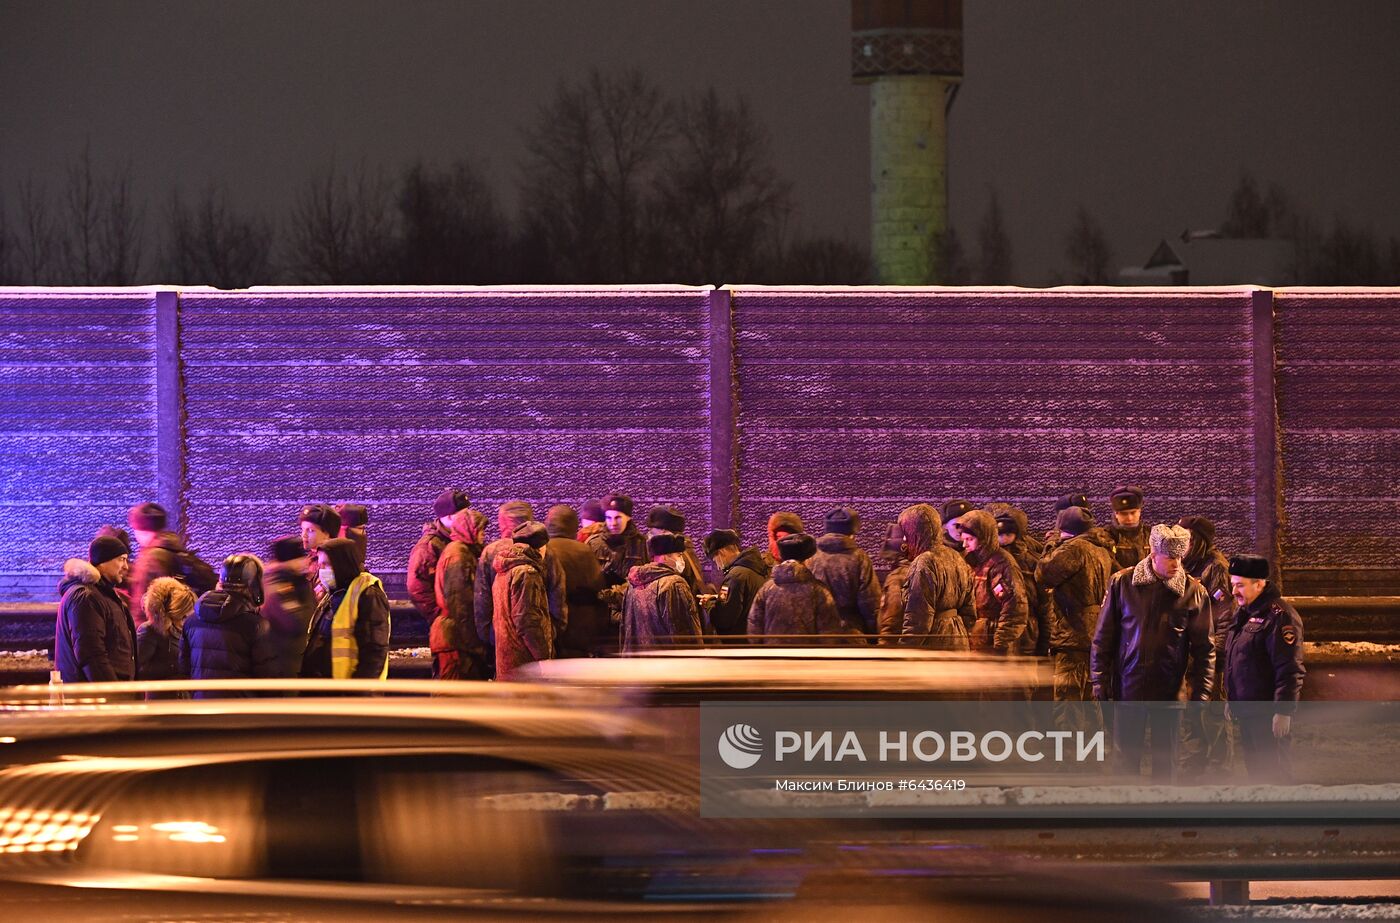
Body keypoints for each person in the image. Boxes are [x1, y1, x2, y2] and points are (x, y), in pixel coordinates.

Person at [1091, 524, 1214, 780]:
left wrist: (1201, 693)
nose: (1177, 564)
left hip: (1169, 694)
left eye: (1181, 557)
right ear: (1153, 553)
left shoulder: (1193, 592)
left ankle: (1163, 814)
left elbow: (1205, 650)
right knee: (1125, 765)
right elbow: (1104, 637)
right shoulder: (1122, 584)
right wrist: (1099, 678)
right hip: (1129, 688)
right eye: (1171, 557)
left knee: (1165, 766)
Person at [1223, 554, 1305, 783]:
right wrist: (1233, 698)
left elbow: (1289, 667)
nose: (1234, 591)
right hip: (1248, 711)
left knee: (1275, 773)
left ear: (1259, 583)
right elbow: (1238, 661)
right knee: (1256, 772)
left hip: (1267, 714)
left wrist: (1283, 710)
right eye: (1233, 585)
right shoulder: (1245, 613)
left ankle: (1284, 816)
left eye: (1240, 585)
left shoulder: (1280, 616)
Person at [1035, 507, 1116, 731]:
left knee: (1067, 700)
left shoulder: (1074, 548)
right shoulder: (1101, 549)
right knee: (1091, 698)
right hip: (1095, 631)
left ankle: (1070, 759)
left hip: (1073, 633)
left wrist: (1051, 545)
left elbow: (1043, 573)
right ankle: (1093, 754)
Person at [1178, 515, 1236, 773]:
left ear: (1199, 541)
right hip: (1189, 651)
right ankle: (1195, 759)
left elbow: (1225, 614)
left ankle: (1219, 764)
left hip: (1210, 653)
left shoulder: (1215, 568)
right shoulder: (1185, 566)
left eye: (1187, 539)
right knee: (1191, 710)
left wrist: (1219, 652)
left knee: (1212, 712)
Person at [476, 501, 567, 658]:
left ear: (502, 522)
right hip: (538, 641)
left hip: (502, 640)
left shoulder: (491, 553)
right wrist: (551, 631)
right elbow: (557, 595)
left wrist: (491, 635)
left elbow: (482, 600)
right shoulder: (543, 551)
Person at [180, 554, 274, 695]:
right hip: (241, 712)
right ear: (254, 586)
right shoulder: (256, 626)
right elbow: (267, 679)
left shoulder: (191, 622)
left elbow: (184, 671)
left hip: (202, 709)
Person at [886, 504, 974, 650]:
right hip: (959, 640)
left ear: (915, 532)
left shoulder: (924, 562)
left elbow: (919, 619)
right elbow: (969, 610)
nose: (904, 539)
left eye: (906, 533)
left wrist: (906, 651)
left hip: (934, 642)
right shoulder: (956, 557)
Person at [302, 537, 391, 680]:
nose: (321, 571)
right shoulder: (334, 593)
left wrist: (356, 693)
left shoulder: (367, 594)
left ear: (342, 564)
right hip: (326, 689)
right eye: (320, 565)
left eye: (326, 565)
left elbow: (374, 652)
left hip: (347, 692)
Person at [55, 535, 137, 683]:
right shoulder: (86, 597)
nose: (126, 566)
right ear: (103, 561)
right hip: (97, 699)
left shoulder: (104, 595)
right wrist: (113, 692)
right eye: (121, 559)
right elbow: (91, 654)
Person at [749, 533, 857, 645]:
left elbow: (754, 630)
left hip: (772, 658)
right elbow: (829, 635)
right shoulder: (819, 592)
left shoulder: (766, 590)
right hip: (808, 660)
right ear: (807, 559)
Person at [956, 510, 1030, 654]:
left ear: (984, 538)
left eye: (970, 539)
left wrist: (1001, 643)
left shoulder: (1001, 564)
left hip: (992, 643)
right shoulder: (970, 562)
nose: (964, 544)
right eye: (963, 539)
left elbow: (1015, 607)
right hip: (976, 641)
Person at [430, 505, 491, 679]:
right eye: (480, 531)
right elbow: (461, 606)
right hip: (455, 641)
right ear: (469, 530)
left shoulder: (462, 552)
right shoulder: (459, 555)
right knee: (455, 697)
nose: (483, 536)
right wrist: (476, 647)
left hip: (455, 638)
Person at [128, 501, 210, 625]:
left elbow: (142, 605)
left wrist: (137, 633)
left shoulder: (151, 559)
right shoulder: (174, 548)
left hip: (157, 630)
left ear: (141, 529)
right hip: (179, 626)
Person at [621, 532, 705, 652]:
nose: (682, 560)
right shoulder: (674, 584)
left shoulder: (632, 584)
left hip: (637, 662)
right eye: (679, 555)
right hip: (667, 663)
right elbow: (682, 630)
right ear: (665, 557)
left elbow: (625, 627)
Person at [491, 521, 554, 679]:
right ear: (540, 547)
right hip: (525, 660)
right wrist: (542, 657)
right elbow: (526, 619)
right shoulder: (527, 573)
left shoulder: (505, 568)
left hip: (508, 656)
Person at [545, 505, 609, 658]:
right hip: (580, 630)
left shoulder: (542, 549)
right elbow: (597, 590)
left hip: (550, 627)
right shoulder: (583, 551)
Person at [807, 507, 882, 636]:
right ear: (852, 531)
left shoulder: (811, 557)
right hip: (851, 635)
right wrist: (874, 635)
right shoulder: (859, 558)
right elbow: (869, 602)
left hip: (818, 635)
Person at [986, 503, 1048, 655]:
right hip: (996, 628)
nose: (1004, 539)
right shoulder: (989, 559)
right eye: (1000, 534)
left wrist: (1045, 640)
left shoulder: (1032, 561)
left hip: (1028, 631)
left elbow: (1045, 603)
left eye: (1008, 534)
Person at [259, 536, 318, 679]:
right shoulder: (278, 585)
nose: (306, 561)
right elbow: (298, 622)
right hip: (283, 665)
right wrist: (303, 585)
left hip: (294, 661)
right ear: (288, 561)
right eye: (301, 557)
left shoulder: (291, 581)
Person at [407, 488, 469, 623]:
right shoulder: (428, 547)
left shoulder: (462, 538)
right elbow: (417, 588)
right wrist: (439, 616)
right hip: (449, 622)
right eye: (463, 514)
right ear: (448, 516)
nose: (468, 518)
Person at [703, 529, 769, 641]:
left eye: (715, 560)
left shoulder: (734, 576)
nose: (718, 566)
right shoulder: (759, 568)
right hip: (757, 638)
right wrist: (716, 598)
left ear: (721, 552)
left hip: (740, 643)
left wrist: (709, 604)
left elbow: (725, 618)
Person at [136, 576, 195, 684]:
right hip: (161, 695)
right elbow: (139, 669)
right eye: (182, 616)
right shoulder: (149, 630)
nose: (185, 620)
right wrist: (176, 666)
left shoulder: (184, 630)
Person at [589, 493, 649, 587]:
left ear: (628, 517)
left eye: (618, 518)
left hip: (631, 599)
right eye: (609, 518)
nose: (613, 523)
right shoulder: (593, 544)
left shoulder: (642, 544)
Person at [299, 503, 343, 597]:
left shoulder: (333, 564)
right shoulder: (312, 557)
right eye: (302, 529)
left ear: (327, 533)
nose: (304, 535)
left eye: (310, 530)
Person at [1105, 486, 1151, 571]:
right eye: (1124, 514)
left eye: (1133, 513)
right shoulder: (1106, 536)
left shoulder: (1150, 534)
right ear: (1116, 514)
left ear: (1139, 512)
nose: (1129, 518)